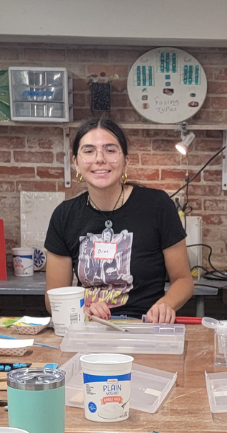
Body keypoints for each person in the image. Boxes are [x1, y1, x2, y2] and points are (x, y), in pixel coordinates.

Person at [43, 118, 192, 322]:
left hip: (145, 328)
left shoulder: (157, 206)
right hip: (90, 329)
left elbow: (184, 280)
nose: (100, 159)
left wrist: (165, 305)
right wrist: (84, 308)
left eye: (110, 150)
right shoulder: (64, 216)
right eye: (89, 151)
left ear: (126, 161)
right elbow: (53, 298)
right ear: (76, 163)